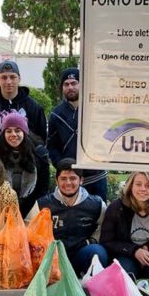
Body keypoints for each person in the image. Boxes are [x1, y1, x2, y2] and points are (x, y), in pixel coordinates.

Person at [35, 158, 108, 276]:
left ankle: (90, 290)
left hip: (81, 253)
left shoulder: (96, 204)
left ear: (81, 180)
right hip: (54, 256)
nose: (68, 183)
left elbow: (106, 227)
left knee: (97, 252)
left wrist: (92, 240)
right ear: (56, 180)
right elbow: (30, 230)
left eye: (73, 178)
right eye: (63, 178)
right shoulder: (42, 205)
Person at [47, 67, 108, 199]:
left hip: (96, 178)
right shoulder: (56, 114)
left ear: (82, 84)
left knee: (99, 216)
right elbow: (52, 146)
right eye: (66, 84)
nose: (70, 87)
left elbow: (107, 140)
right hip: (70, 179)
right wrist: (62, 165)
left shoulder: (96, 110)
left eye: (74, 83)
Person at [0, 112, 50, 218]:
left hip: (32, 207)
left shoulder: (39, 154)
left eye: (17, 130)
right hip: (1, 210)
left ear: (24, 132)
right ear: (3, 134)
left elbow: (43, 188)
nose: (13, 134)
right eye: (8, 131)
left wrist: (24, 211)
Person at [0, 59, 47, 139]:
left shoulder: (34, 107)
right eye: (4, 77)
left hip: (26, 151)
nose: (8, 81)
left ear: (19, 79)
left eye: (13, 77)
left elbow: (42, 138)